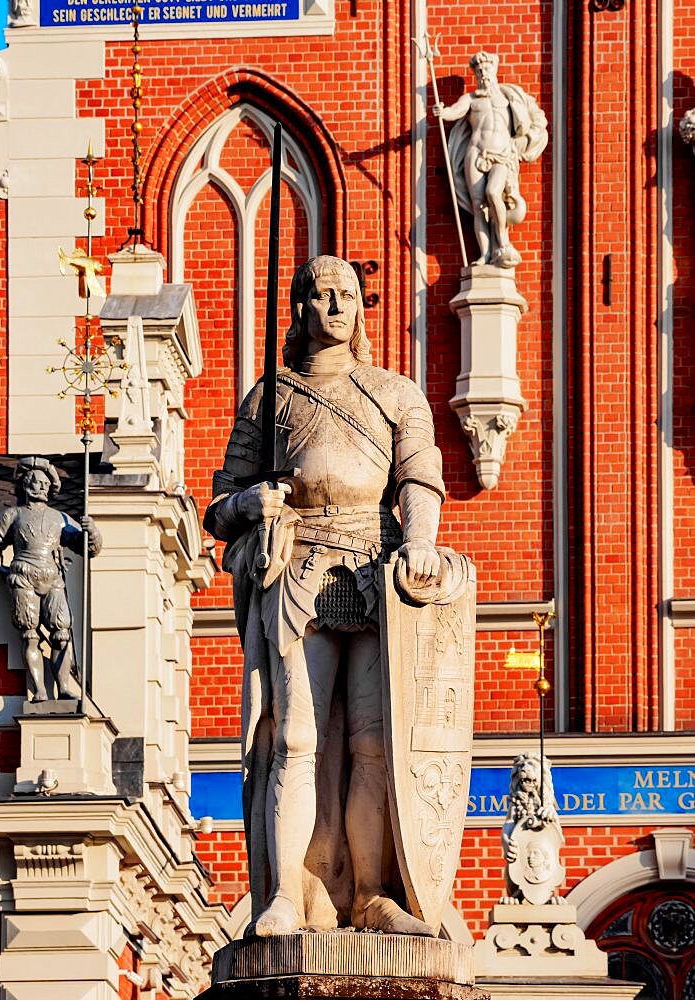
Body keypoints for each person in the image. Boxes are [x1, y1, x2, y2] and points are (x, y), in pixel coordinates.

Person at [205, 256, 455, 937]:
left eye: (347, 294)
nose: (335, 306)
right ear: (300, 308)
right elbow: (219, 505)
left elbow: (419, 476)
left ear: (360, 307)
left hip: (377, 572)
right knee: (295, 737)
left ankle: (373, 892)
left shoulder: (394, 392)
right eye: (320, 295)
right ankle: (288, 893)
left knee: (376, 743)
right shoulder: (272, 396)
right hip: (301, 567)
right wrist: (252, 500)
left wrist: (421, 543)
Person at [0, 457, 102, 702]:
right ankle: (40, 691)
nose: (39, 486)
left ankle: (64, 686)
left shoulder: (60, 518)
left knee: (62, 632)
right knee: (29, 634)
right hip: (24, 577)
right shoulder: (12, 515)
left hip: (52, 577)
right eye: (34, 481)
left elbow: (87, 548)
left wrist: (91, 531)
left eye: (44, 482)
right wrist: (0, 570)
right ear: (25, 484)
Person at [434, 51, 548, 268]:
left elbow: (528, 121)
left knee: (494, 192)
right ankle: (485, 254)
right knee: (478, 205)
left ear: (493, 71)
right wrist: (443, 112)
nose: (482, 73)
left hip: (503, 154)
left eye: (486, 69)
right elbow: (454, 112)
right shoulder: (470, 99)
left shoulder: (507, 97)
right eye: (478, 71)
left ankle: (502, 244)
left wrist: (523, 143)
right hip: (475, 153)